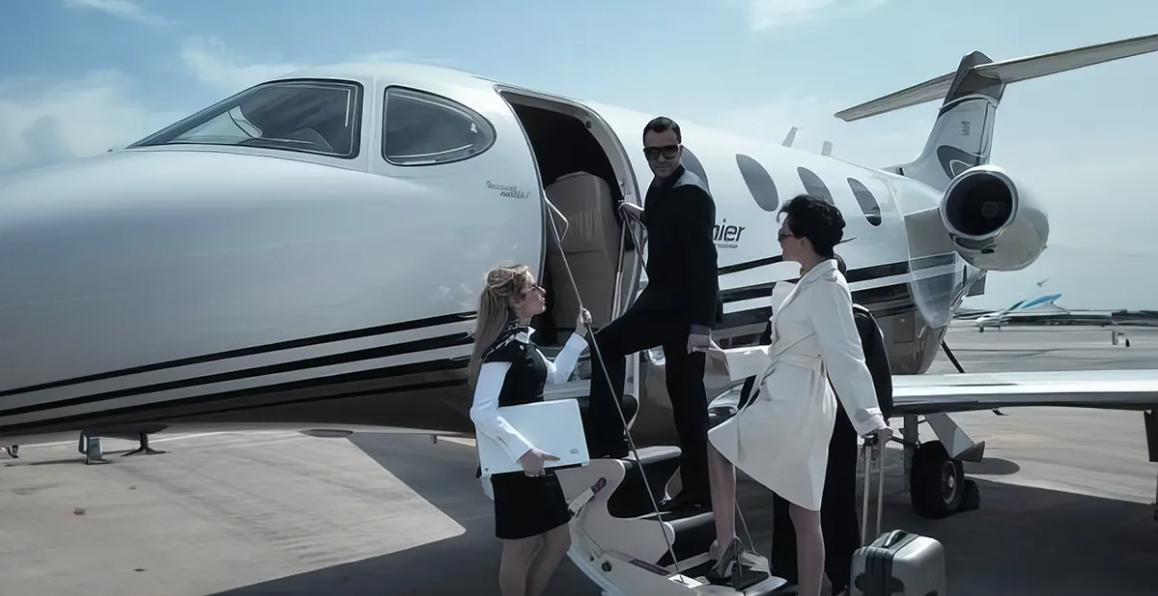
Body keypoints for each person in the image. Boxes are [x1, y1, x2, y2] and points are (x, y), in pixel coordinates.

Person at [706, 194, 893, 596]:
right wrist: (727, 359)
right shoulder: (811, 281)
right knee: (804, 512)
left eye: (784, 233)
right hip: (799, 398)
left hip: (796, 401)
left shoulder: (827, 286)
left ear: (805, 240)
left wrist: (871, 419)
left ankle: (726, 547)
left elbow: (846, 355)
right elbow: (783, 347)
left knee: (719, 447)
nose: (779, 240)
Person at [584, 116, 722, 514]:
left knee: (609, 346)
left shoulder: (691, 193)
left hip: (681, 310)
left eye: (668, 150)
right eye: (651, 152)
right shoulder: (661, 187)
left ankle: (608, 440)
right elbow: (668, 225)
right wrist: (639, 212)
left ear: (681, 148)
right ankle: (697, 486)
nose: (659, 158)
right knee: (685, 399)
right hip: (664, 302)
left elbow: (704, 262)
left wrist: (701, 327)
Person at [763, 255, 895, 596]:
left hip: (824, 424)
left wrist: (875, 422)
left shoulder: (856, 319)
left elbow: (873, 378)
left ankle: (821, 576)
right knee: (805, 504)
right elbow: (767, 364)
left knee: (825, 503)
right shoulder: (797, 313)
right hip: (810, 422)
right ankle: (811, 576)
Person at [468, 264, 593, 596]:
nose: (542, 292)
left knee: (558, 540)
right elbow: (481, 411)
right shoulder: (504, 349)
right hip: (518, 463)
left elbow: (555, 376)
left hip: (533, 461)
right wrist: (524, 450)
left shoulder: (523, 343)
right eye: (534, 288)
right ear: (514, 301)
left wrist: (579, 336)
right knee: (520, 549)